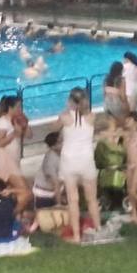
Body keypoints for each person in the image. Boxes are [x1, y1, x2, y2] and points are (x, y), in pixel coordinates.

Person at [58, 87, 99, 243]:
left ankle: (76, 236)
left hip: (69, 161)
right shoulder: (92, 117)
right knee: (92, 199)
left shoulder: (64, 117)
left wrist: (67, 110)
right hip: (87, 160)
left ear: (70, 101)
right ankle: (98, 229)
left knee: (73, 200)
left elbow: (53, 129)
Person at [0, 95, 29, 196]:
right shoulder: (3, 122)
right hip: (7, 162)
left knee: (7, 191)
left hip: (14, 160)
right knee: (25, 191)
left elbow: (29, 135)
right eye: (18, 107)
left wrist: (25, 124)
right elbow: (0, 143)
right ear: (10, 108)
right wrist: (14, 133)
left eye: (20, 107)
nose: (20, 109)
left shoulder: (18, 120)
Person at [33, 132, 64, 208]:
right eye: (60, 142)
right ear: (53, 147)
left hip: (57, 190)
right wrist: (59, 204)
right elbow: (55, 184)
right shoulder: (50, 161)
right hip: (44, 194)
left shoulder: (63, 154)